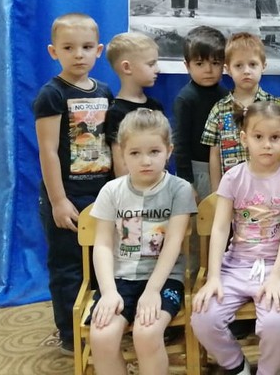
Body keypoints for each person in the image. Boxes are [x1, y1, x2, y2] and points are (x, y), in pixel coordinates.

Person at [192, 102, 280, 375]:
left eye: (274, 137)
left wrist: (277, 276)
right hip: (236, 265)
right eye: (258, 137)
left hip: (278, 267)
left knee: (277, 325)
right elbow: (221, 228)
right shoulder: (233, 177)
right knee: (203, 317)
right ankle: (236, 366)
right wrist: (214, 277)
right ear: (244, 139)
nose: (267, 144)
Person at [88, 109, 197, 375]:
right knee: (101, 337)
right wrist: (108, 291)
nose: (145, 161)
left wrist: (152, 290)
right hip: (120, 279)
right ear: (121, 153)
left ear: (169, 151)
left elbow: (173, 244)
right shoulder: (111, 191)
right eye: (135, 153)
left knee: (146, 334)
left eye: (154, 151)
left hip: (164, 279)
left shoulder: (179, 189)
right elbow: (102, 245)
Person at [33, 13, 114, 355]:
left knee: (102, 263)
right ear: (54, 52)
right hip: (68, 196)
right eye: (68, 48)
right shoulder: (52, 94)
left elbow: (111, 144)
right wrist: (58, 200)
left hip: (101, 194)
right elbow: (48, 151)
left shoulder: (105, 91)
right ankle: (70, 334)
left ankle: (102, 325)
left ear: (99, 50)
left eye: (86, 47)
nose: (78, 54)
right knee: (68, 266)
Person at [201, 32, 279, 192]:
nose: (246, 71)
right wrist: (217, 191)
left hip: (268, 188)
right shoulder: (219, 109)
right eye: (239, 65)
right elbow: (214, 154)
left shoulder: (274, 107)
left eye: (253, 64)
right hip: (231, 190)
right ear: (228, 69)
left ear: (263, 66)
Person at [172, 25, 228, 199]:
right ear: (187, 66)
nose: (208, 70)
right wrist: (186, 181)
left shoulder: (227, 95)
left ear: (224, 64)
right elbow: (180, 144)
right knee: (203, 214)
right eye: (199, 63)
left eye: (215, 63)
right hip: (197, 171)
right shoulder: (186, 98)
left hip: (226, 167)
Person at [104, 32, 163, 176]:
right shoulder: (116, 112)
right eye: (151, 64)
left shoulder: (156, 106)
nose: (157, 69)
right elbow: (120, 165)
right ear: (127, 67)